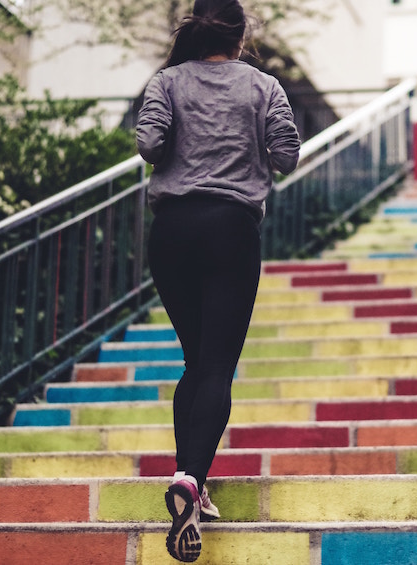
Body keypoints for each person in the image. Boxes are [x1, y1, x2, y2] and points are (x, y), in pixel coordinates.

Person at [135, 0, 300, 560]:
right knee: (217, 367)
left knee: (195, 362)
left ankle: (192, 480)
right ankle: (188, 479)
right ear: (240, 34)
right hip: (230, 229)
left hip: (172, 231)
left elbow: (149, 146)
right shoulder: (264, 87)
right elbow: (286, 156)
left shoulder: (166, 81)